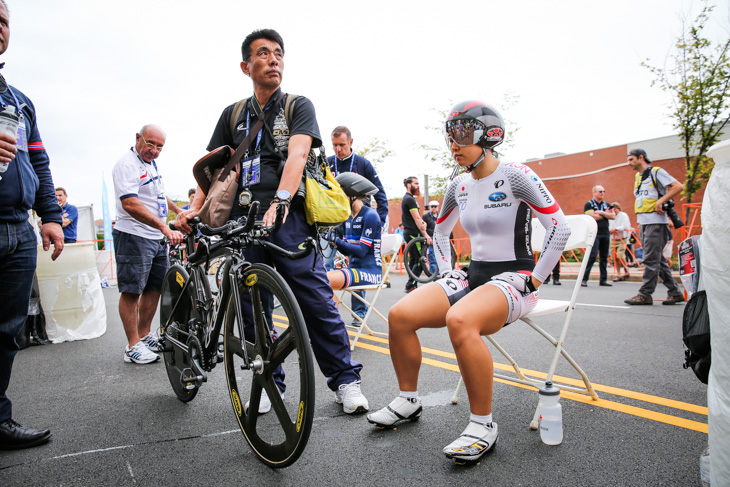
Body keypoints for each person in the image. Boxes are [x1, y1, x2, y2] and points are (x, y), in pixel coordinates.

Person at [174, 29, 368, 414]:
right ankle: (268, 382)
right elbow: (214, 170)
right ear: (246, 66)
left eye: (278, 53)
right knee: (250, 305)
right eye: (264, 53)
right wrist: (194, 208)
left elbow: (297, 156)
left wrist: (280, 201)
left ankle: (345, 381)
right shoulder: (233, 114)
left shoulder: (297, 105)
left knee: (315, 301)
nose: (274, 59)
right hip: (242, 221)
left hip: (289, 216)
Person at [367, 101, 570, 464]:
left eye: (461, 135)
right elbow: (440, 232)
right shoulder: (458, 184)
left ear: (489, 135)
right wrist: (448, 272)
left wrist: (536, 278)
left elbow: (560, 227)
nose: (454, 145)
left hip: (516, 277)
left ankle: (483, 425)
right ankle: (408, 400)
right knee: (399, 315)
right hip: (473, 275)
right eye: (450, 138)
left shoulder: (517, 175)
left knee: (459, 319)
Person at [0, 0, 64, 450]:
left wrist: (52, 217)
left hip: (17, 229)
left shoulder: (18, 101)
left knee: (7, 332)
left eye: (2, 20)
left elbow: (38, 161)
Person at [112, 124, 184, 365]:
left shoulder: (150, 164)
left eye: (159, 147)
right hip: (133, 235)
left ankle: (144, 334)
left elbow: (158, 193)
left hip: (154, 237)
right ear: (137, 138)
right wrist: (164, 226)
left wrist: (178, 211)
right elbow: (130, 204)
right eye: (150, 144)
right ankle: (132, 345)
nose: (154, 150)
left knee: (155, 287)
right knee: (132, 290)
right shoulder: (127, 164)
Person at [328, 126, 389, 321]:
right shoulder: (328, 163)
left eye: (342, 145)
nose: (338, 149)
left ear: (351, 143)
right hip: (334, 221)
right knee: (324, 266)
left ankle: (358, 314)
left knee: (358, 261)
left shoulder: (363, 163)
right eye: (335, 145)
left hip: (360, 217)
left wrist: (379, 220)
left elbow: (380, 193)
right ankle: (326, 314)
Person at [624, 149, 685, 305]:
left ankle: (645, 294)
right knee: (657, 259)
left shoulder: (656, 172)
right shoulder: (638, 177)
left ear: (641, 157)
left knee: (650, 260)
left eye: (631, 159)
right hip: (645, 222)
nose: (629, 163)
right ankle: (675, 292)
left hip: (656, 222)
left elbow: (678, 186)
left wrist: (660, 201)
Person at [327, 173, 381, 325]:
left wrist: (336, 240)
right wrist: (335, 243)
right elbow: (347, 251)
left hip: (370, 273)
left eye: (341, 195)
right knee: (317, 278)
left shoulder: (370, 215)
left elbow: (362, 251)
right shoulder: (347, 217)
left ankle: (332, 328)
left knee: (323, 281)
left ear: (352, 195)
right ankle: (329, 325)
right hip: (354, 270)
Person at [401, 176, 431, 293]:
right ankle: (410, 284)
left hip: (411, 232)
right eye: (416, 183)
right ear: (409, 185)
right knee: (420, 259)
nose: (418, 186)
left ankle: (411, 285)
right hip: (413, 233)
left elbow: (418, 219)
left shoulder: (408, 199)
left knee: (414, 259)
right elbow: (417, 218)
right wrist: (426, 235)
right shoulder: (409, 199)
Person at [581, 185, 615, 287]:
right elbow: (590, 216)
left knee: (604, 257)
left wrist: (600, 212)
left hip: (605, 233)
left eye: (604, 191)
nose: (602, 193)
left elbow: (613, 216)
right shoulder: (589, 204)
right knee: (592, 255)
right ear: (594, 192)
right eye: (600, 191)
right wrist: (605, 214)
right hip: (594, 234)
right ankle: (584, 279)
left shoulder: (606, 204)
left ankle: (603, 280)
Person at [609, 201, 632, 281]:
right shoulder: (611, 217)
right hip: (613, 238)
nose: (613, 211)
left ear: (618, 209)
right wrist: (610, 230)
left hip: (622, 238)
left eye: (615, 209)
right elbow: (609, 226)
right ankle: (619, 274)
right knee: (615, 257)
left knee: (620, 255)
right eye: (612, 210)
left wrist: (616, 229)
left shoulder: (623, 215)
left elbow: (625, 226)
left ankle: (626, 270)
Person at [422, 200, 440, 276]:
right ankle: (434, 276)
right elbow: (423, 228)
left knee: (440, 259)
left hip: (439, 240)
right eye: (432, 206)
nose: (433, 208)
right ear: (429, 207)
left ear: (438, 207)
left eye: (435, 206)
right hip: (430, 241)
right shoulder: (425, 217)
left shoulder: (440, 216)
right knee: (432, 259)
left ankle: (438, 275)